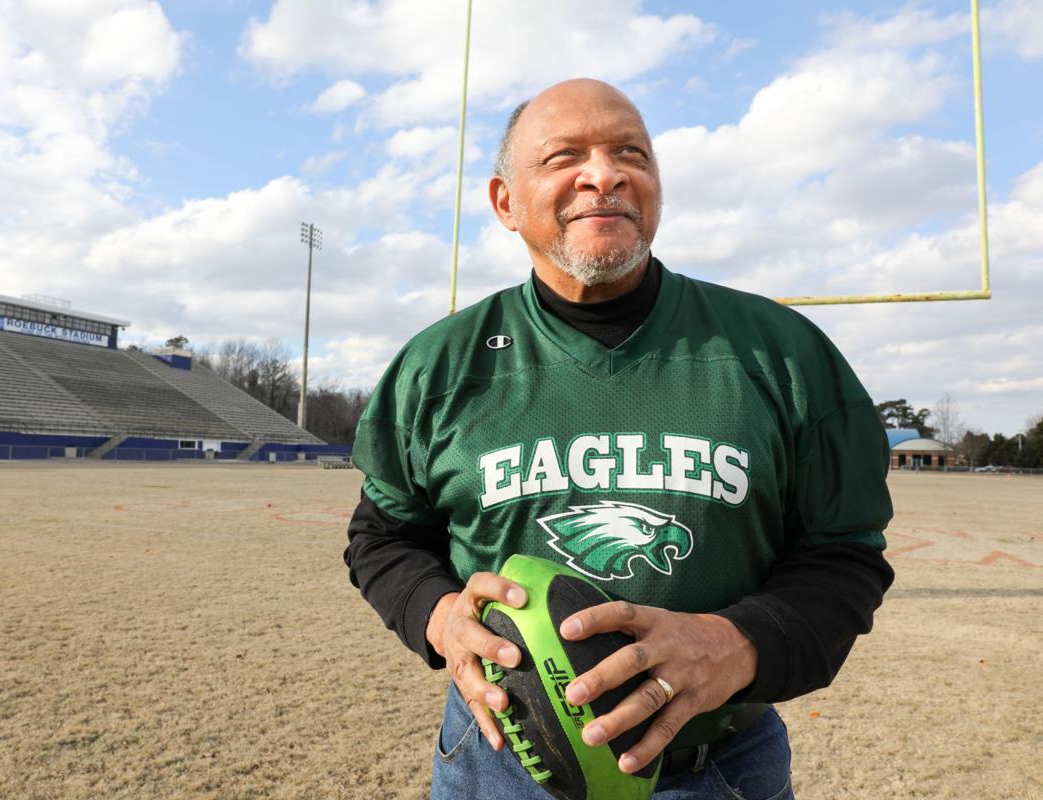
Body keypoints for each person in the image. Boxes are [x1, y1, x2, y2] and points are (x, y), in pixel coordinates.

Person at [344, 78, 894, 800]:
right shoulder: (439, 366)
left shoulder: (781, 353)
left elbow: (845, 556)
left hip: (715, 765)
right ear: (506, 202)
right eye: (564, 155)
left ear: (655, 187)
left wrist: (738, 641)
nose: (604, 173)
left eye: (629, 152)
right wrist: (439, 615)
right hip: (500, 761)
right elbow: (383, 536)